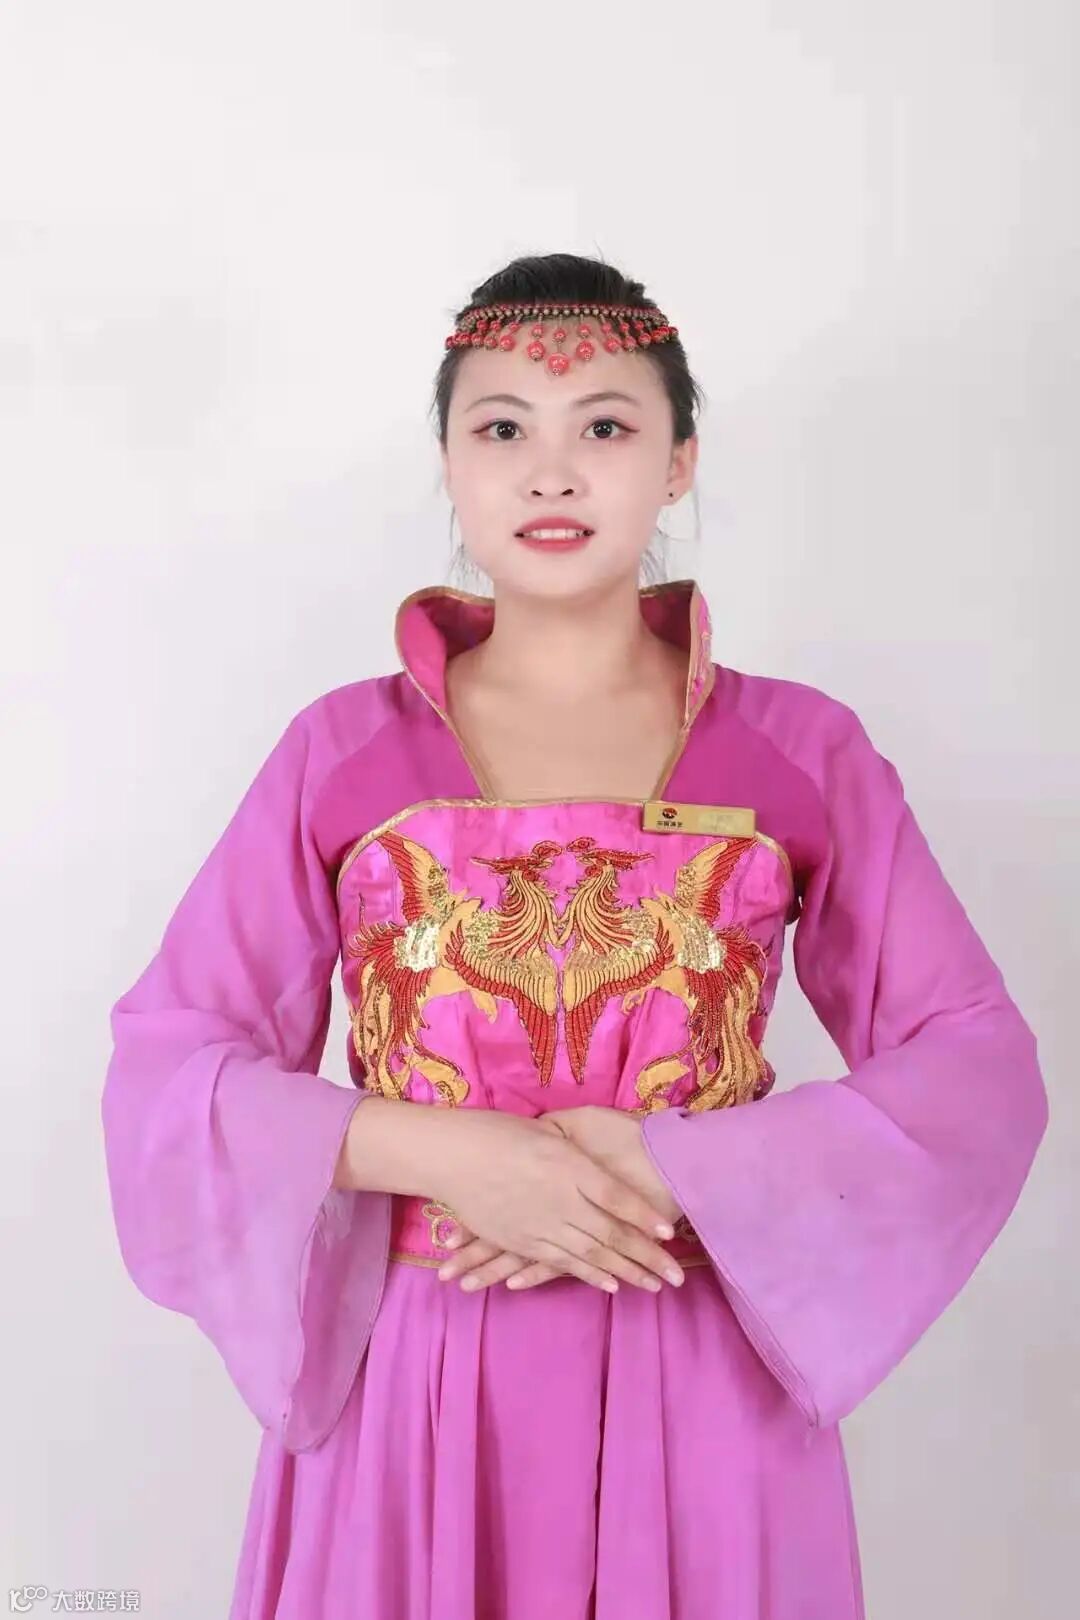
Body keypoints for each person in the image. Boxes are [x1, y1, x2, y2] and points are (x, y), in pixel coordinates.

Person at [100, 251, 1048, 1620]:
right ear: (449, 463)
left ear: (678, 462)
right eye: (503, 429)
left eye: (604, 425)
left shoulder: (799, 750)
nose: (552, 474)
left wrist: (673, 1165)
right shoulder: (342, 752)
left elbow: (975, 1066)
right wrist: (447, 1154)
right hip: (418, 1382)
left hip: (696, 1363)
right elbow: (167, 1069)